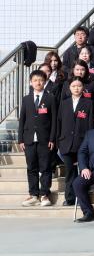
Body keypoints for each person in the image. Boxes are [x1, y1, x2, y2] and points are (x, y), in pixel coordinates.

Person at [19, 70, 58, 207]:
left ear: (45, 82)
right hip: (29, 139)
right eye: (35, 80)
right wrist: (20, 139)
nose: (38, 82)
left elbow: (54, 120)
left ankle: (44, 194)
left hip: (45, 139)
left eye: (41, 80)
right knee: (31, 167)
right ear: (31, 82)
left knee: (45, 167)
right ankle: (33, 194)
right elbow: (22, 120)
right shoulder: (26, 99)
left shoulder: (50, 98)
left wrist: (52, 139)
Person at [56, 76, 93, 206]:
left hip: (82, 143)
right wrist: (58, 141)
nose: (76, 88)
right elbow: (59, 123)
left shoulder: (88, 103)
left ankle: (83, 197)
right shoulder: (64, 103)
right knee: (69, 172)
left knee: (83, 171)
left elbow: (90, 124)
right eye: (74, 86)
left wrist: (89, 143)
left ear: (83, 88)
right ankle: (69, 198)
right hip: (65, 143)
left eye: (79, 86)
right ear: (69, 88)